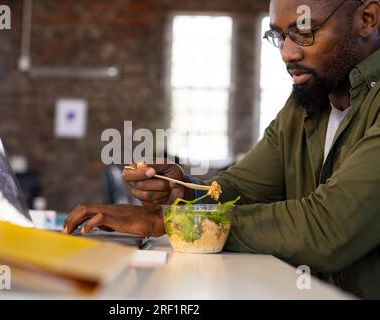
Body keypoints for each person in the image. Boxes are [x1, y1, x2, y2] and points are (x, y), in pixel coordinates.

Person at [63, 0, 380, 299]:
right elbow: (241, 187)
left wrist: (180, 224)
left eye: (304, 31)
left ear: (367, 19)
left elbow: (328, 228)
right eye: (279, 36)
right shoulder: (304, 106)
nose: (286, 53)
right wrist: (180, 195)